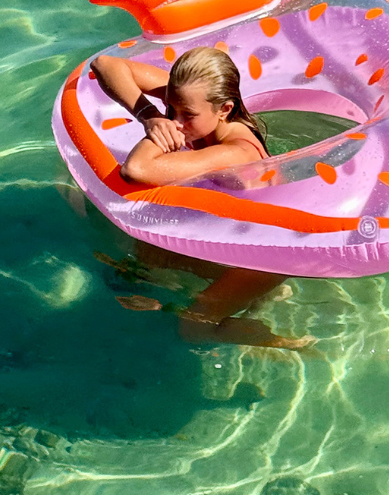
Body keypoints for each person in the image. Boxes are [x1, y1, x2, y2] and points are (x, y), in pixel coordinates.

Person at [90, 47, 313, 350]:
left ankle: (275, 340)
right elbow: (104, 64)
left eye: (187, 115)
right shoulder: (195, 104)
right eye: (171, 107)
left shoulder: (237, 152)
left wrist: (156, 126)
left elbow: (136, 169)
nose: (177, 122)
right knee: (144, 255)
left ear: (224, 109)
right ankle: (255, 295)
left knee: (193, 329)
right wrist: (152, 114)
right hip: (245, 227)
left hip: (269, 254)